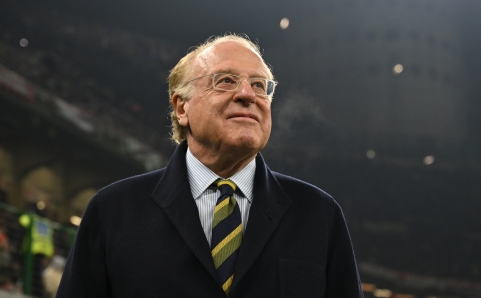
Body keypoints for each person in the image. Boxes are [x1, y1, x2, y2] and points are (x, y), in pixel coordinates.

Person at [57, 34, 363, 298]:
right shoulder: (113, 211)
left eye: (259, 85)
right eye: (226, 80)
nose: (247, 94)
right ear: (181, 108)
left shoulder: (319, 215)